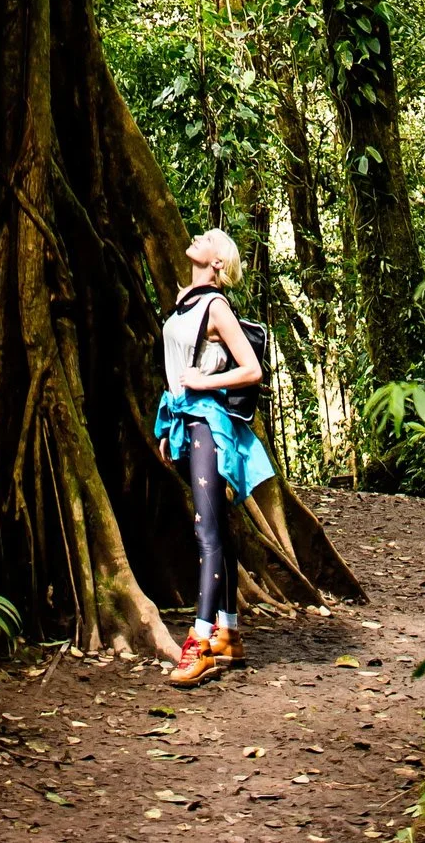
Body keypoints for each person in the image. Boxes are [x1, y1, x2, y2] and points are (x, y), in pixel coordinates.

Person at [154, 225, 279, 687]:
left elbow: (252, 370)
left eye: (208, 238)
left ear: (218, 262)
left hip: (208, 425)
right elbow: (175, 372)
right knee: (217, 525)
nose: (199, 237)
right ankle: (228, 632)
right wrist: (169, 426)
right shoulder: (185, 300)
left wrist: (202, 385)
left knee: (206, 530)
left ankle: (200, 643)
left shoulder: (215, 305)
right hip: (184, 423)